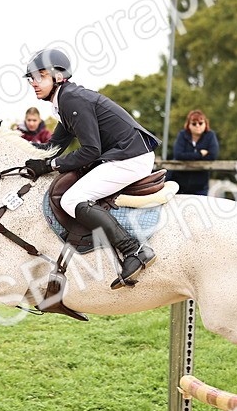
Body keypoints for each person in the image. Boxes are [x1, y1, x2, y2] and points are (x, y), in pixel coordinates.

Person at [20, 47, 160, 289]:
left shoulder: (72, 99)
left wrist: (50, 165)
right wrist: (23, 158)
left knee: (72, 200)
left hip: (130, 158)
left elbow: (90, 151)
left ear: (59, 77)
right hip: (122, 155)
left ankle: (134, 250)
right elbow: (53, 146)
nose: (34, 82)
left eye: (40, 76)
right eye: (32, 77)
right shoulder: (63, 101)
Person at [169, 109, 219, 196]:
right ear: (188, 125)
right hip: (179, 183)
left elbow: (213, 155)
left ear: (205, 124)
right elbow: (178, 155)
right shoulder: (182, 135)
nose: (197, 126)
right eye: (194, 123)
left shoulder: (210, 135)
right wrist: (200, 154)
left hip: (200, 185)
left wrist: (188, 156)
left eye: (200, 123)